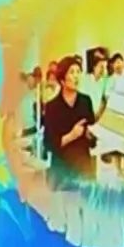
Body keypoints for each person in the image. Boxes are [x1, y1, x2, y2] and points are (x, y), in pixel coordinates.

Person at [43, 55, 97, 186]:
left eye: (78, 72)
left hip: (83, 168)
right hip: (62, 171)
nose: (76, 76)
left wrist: (90, 135)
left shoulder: (86, 101)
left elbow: (93, 140)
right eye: (72, 72)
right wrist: (71, 135)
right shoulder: (52, 107)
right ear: (62, 80)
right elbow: (48, 144)